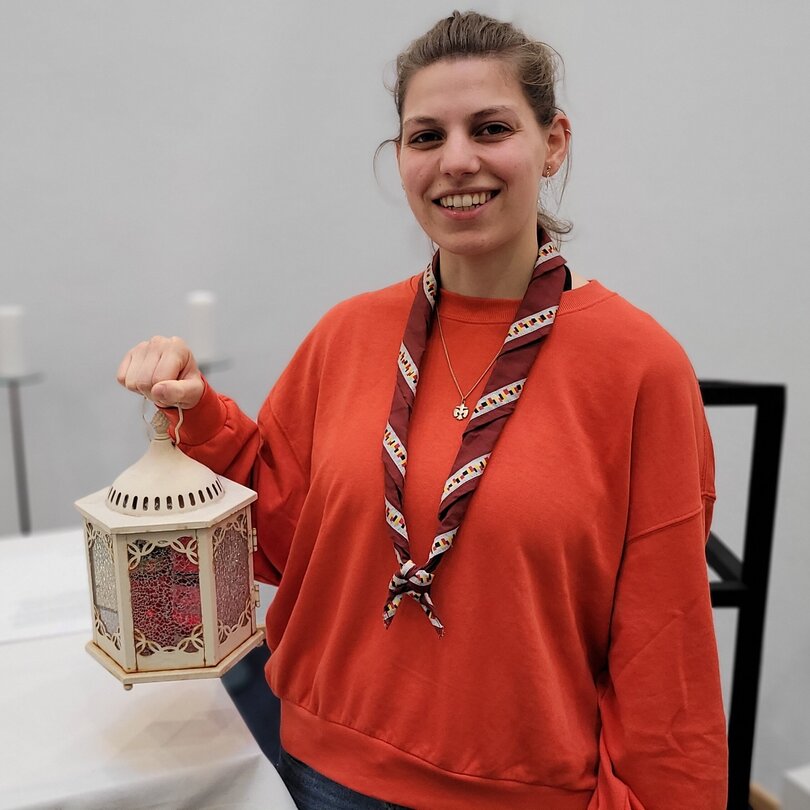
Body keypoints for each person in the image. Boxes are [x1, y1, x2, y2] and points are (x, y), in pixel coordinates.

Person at [117, 11, 727, 810]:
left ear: (553, 142)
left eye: (492, 127)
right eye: (426, 136)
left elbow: (664, 645)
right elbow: (286, 540)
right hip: (315, 772)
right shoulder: (347, 335)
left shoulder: (640, 368)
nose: (458, 161)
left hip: (522, 793)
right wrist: (200, 418)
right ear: (400, 157)